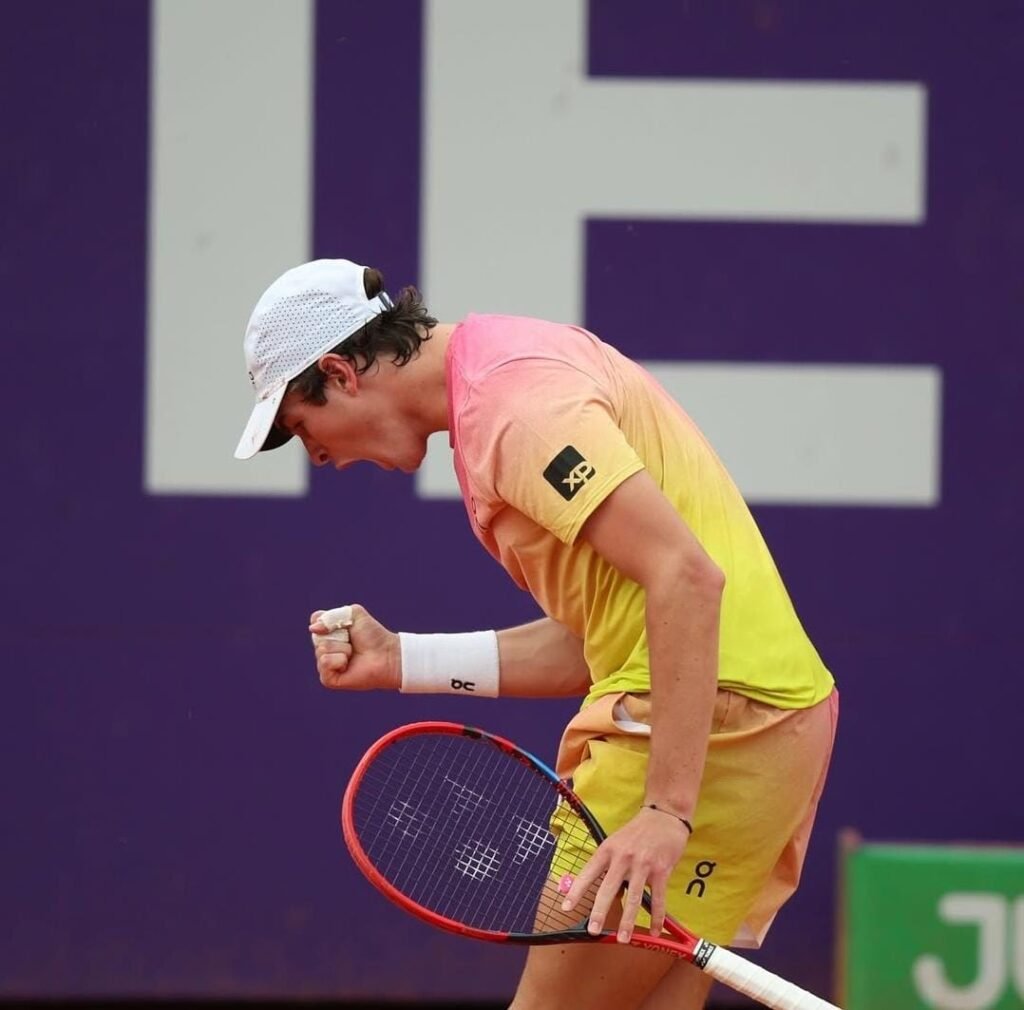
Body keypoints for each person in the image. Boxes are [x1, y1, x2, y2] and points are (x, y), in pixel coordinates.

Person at [234, 258, 838, 1010]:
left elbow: (687, 579)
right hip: (770, 727)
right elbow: (610, 636)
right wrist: (402, 660)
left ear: (340, 372)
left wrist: (664, 810)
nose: (316, 454)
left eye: (300, 426)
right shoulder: (505, 370)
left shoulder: (514, 413)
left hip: (703, 735)